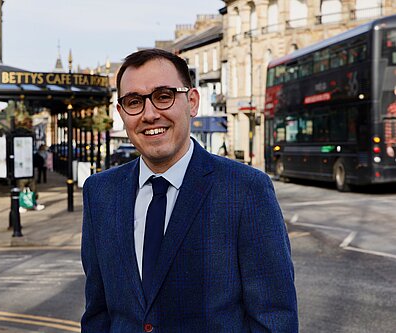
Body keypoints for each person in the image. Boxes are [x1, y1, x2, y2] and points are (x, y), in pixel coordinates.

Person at [81, 49, 298, 332]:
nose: (149, 114)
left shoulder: (245, 189)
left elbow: (274, 319)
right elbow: (97, 314)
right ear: (121, 113)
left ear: (192, 102)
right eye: (134, 102)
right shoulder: (99, 192)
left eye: (163, 96)